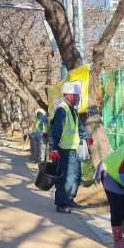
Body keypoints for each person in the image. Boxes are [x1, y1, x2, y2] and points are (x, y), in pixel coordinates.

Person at [48, 82, 93, 213]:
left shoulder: (72, 110)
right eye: (76, 95)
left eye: (78, 95)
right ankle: (61, 204)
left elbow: (79, 127)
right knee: (65, 178)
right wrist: (53, 149)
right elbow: (55, 131)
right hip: (62, 151)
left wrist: (87, 136)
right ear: (68, 96)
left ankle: (70, 199)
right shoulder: (62, 110)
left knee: (77, 175)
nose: (78, 98)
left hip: (72, 150)